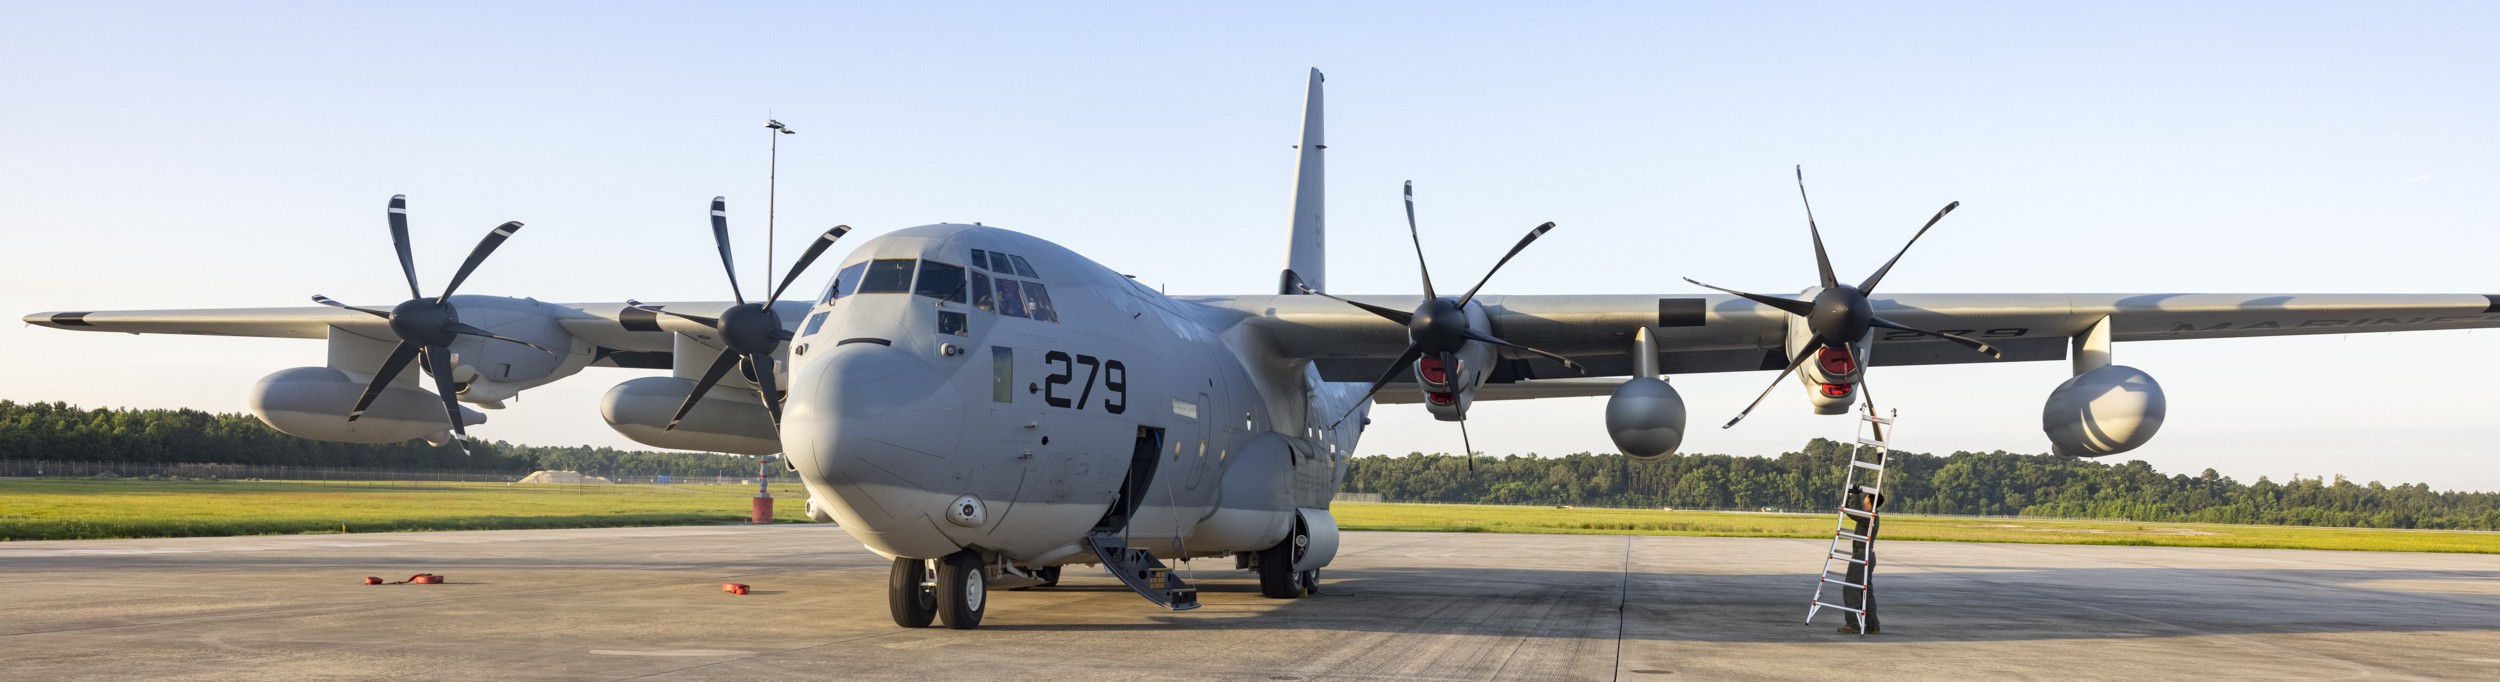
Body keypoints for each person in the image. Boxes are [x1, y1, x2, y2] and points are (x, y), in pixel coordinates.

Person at [1841, 489, 1883, 634]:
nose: (1864, 499)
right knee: (1867, 593)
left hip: (1861, 556)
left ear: (1870, 502)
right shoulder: (1871, 516)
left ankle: (1853, 623)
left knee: (1851, 589)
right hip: (1866, 555)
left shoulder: (1870, 517)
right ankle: (1872, 625)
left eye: (1866, 498)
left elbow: (1852, 513)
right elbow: (1852, 512)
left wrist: (1853, 496)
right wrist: (1852, 498)